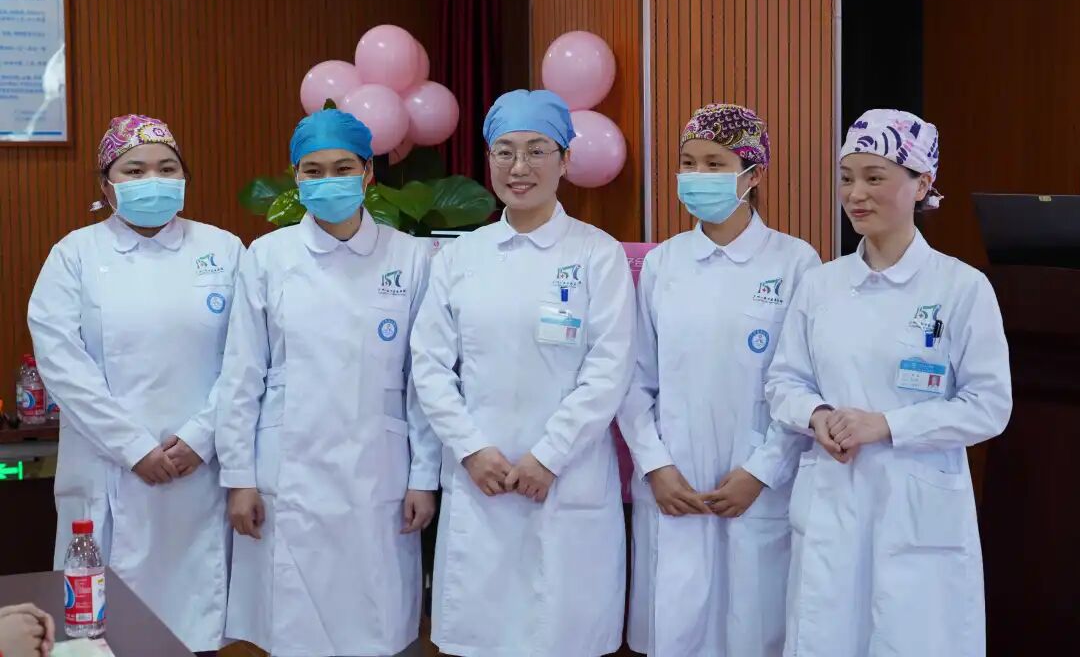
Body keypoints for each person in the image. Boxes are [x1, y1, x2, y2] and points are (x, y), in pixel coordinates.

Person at [766, 109, 1012, 656]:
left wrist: (886, 426)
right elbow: (784, 380)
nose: (856, 194)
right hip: (832, 501)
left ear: (922, 183)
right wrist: (816, 415)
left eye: (874, 177)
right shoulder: (821, 286)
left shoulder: (961, 287)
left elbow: (989, 405)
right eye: (847, 177)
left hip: (917, 510)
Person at [409, 89, 635, 657]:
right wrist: (470, 449)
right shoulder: (460, 257)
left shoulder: (597, 254)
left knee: (563, 635)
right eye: (505, 151)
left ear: (565, 160)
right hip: (480, 480)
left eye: (537, 151)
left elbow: (609, 368)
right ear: (489, 159)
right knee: (482, 637)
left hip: (568, 481)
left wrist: (550, 455)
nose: (519, 167)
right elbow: (430, 366)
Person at [216, 108, 440, 657]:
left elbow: (424, 380)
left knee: (374, 621)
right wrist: (239, 477)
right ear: (295, 177)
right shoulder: (268, 257)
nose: (328, 181)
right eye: (313, 171)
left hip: (378, 473)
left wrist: (424, 476)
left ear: (368, 173)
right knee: (295, 627)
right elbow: (242, 374)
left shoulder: (411, 257)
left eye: (343, 168)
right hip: (290, 472)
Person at [27, 115, 241, 654]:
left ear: (185, 177)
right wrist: (133, 447)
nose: (153, 180)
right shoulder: (75, 255)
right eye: (135, 170)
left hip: (199, 469)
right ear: (106, 185)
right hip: (109, 468)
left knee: (195, 629)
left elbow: (247, 357)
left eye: (167, 168)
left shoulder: (224, 249)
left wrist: (201, 436)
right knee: (102, 631)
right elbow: (62, 363)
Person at [617, 104, 820, 657]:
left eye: (715, 164)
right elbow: (634, 380)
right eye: (689, 163)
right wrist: (656, 467)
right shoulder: (663, 264)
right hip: (673, 484)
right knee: (677, 627)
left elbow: (803, 382)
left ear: (752, 175)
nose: (697, 176)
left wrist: (761, 471)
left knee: (755, 629)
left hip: (758, 485)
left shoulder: (795, 263)